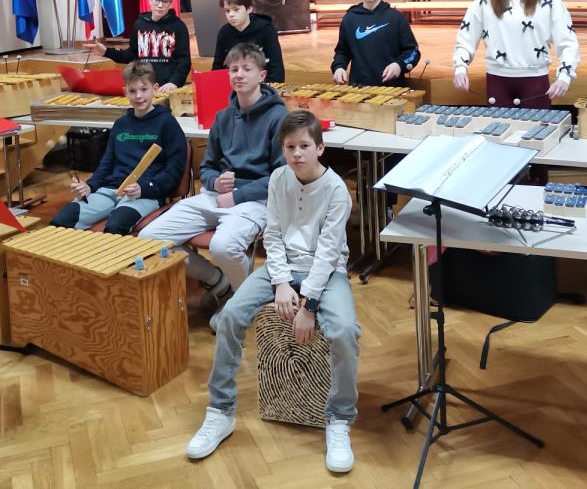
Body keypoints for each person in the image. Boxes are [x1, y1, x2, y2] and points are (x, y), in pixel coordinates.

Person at [184, 110, 358, 473]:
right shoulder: (279, 178)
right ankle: (220, 411)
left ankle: (339, 417)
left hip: (326, 272)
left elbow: (328, 254)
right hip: (282, 267)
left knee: (344, 331)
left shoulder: (337, 191)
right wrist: (279, 282)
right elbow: (274, 235)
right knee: (230, 316)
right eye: (290, 147)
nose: (297, 153)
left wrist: (308, 306)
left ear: (320, 148)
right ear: (282, 150)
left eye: (304, 146)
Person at [140, 43, 286, 311]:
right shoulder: (223, 117)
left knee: (223, 247)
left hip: (256, 200)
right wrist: (215, 181)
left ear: (262, 76)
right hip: (214, 196)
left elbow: (282, 176)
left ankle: (247, 303)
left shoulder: (278, 117)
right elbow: (207, 166)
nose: (239, 74)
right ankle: (218, 282)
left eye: (246, 69)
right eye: (234, 69)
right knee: (149, 238)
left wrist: (238, 196)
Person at [50, 61, 187, 234]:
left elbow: (174, 170)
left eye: (144, 89)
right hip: (109, 189)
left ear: (155, 89)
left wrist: (145, 188)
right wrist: (90, 185)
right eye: (132, 91)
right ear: (125, 92)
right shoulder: (121, 124)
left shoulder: (167, 123)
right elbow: (106, 164)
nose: (138, 96)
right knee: (61, 220)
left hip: (144, 193)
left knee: (115, 226)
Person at [452, 0, 580, 109]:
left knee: (537, 127)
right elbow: (466, 36)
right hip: (497, 80)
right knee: (498, 127)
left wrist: (565, 75)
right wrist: (460, 68)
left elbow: (567, 39)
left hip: (535, 81)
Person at [88, 0, 191, 92]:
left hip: (166, 87)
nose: (160, 5)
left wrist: (174, 82)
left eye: (165, 1)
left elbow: (184, 61)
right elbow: (131, 54)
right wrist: (106, 51)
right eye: (157, 0)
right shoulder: (140, 24)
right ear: (150, 0)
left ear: (171, 3)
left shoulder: (179, 27)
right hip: (142, 86)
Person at [331, 0, 421, 86]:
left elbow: (413, 51)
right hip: (359, 88)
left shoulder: (396, 18)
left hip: (392, 88)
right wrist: (339, 67)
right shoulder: (349, 19)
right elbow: (342, 52)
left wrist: (399, 65)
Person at [211, 0, 285, 83]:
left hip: (261, 85)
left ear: (249, 9)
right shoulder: (224, 32)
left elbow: (276, 68)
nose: (231, 15)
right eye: (227, 11)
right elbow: (217, 67)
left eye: (236, 10)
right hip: (233, 85)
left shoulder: (266, 30)